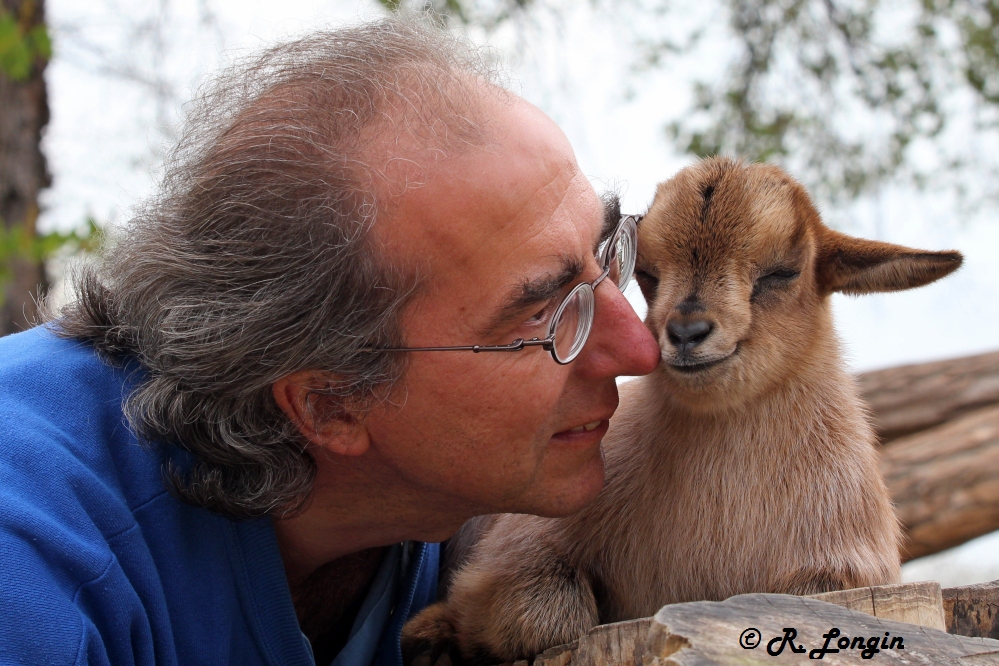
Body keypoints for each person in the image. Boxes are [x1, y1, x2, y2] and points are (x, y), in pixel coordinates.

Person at [0, 17, 660, 666]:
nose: (638, 349)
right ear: (330, 406)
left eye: (607, 256)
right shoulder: (31, 566)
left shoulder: (433, 495)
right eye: (543, 314)